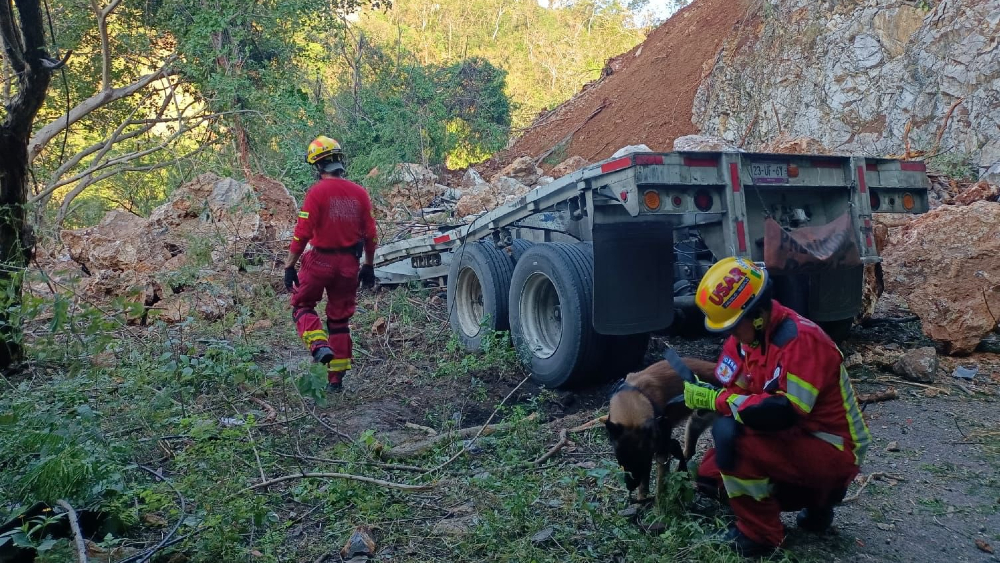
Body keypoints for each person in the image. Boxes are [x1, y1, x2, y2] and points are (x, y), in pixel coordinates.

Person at [682, 257, 871, 556]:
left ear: (756, 315)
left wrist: (717, 400)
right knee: (710, 474)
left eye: (733, 325)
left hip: (833, 446)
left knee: (732, 439)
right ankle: (814, 500)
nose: (729, 334)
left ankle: (761, 535)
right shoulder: (746, 342)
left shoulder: (801, 341)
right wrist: (707, 392)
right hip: (796, 440)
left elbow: (783, 413)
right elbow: (735, 390)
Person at [283, 136, 378, 393]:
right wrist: (368, 266)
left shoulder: (316, 192)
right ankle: (335, 382)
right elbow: (371, 234)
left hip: (319, 261)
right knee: (339, 321)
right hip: (349, 264)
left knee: (302, 305)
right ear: (340, 162)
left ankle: (318, 346)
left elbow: (302, 232)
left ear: (318, 166)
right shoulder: (360, 193)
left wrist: (289, 265)